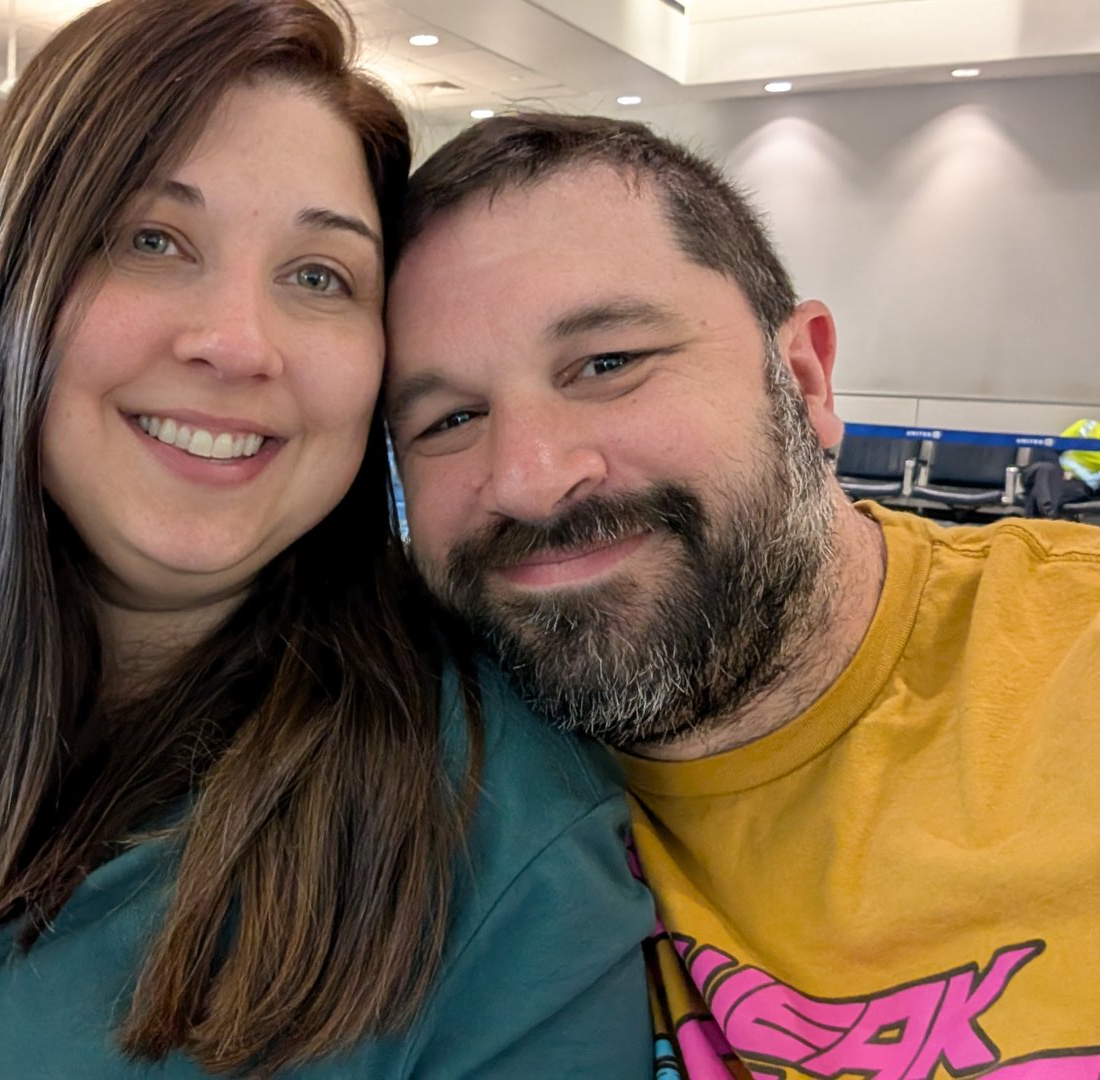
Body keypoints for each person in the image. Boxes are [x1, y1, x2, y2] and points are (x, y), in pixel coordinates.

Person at [0, 15, 655, 1077]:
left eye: (320, 275)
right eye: (153, 239)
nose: (235, 343)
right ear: (12, 282)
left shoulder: (503, 837)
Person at [385, 112, 1100, 1077]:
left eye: (607, 364)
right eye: (449, 417)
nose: (526, 478)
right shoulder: (403, 770)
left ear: (803, 377)